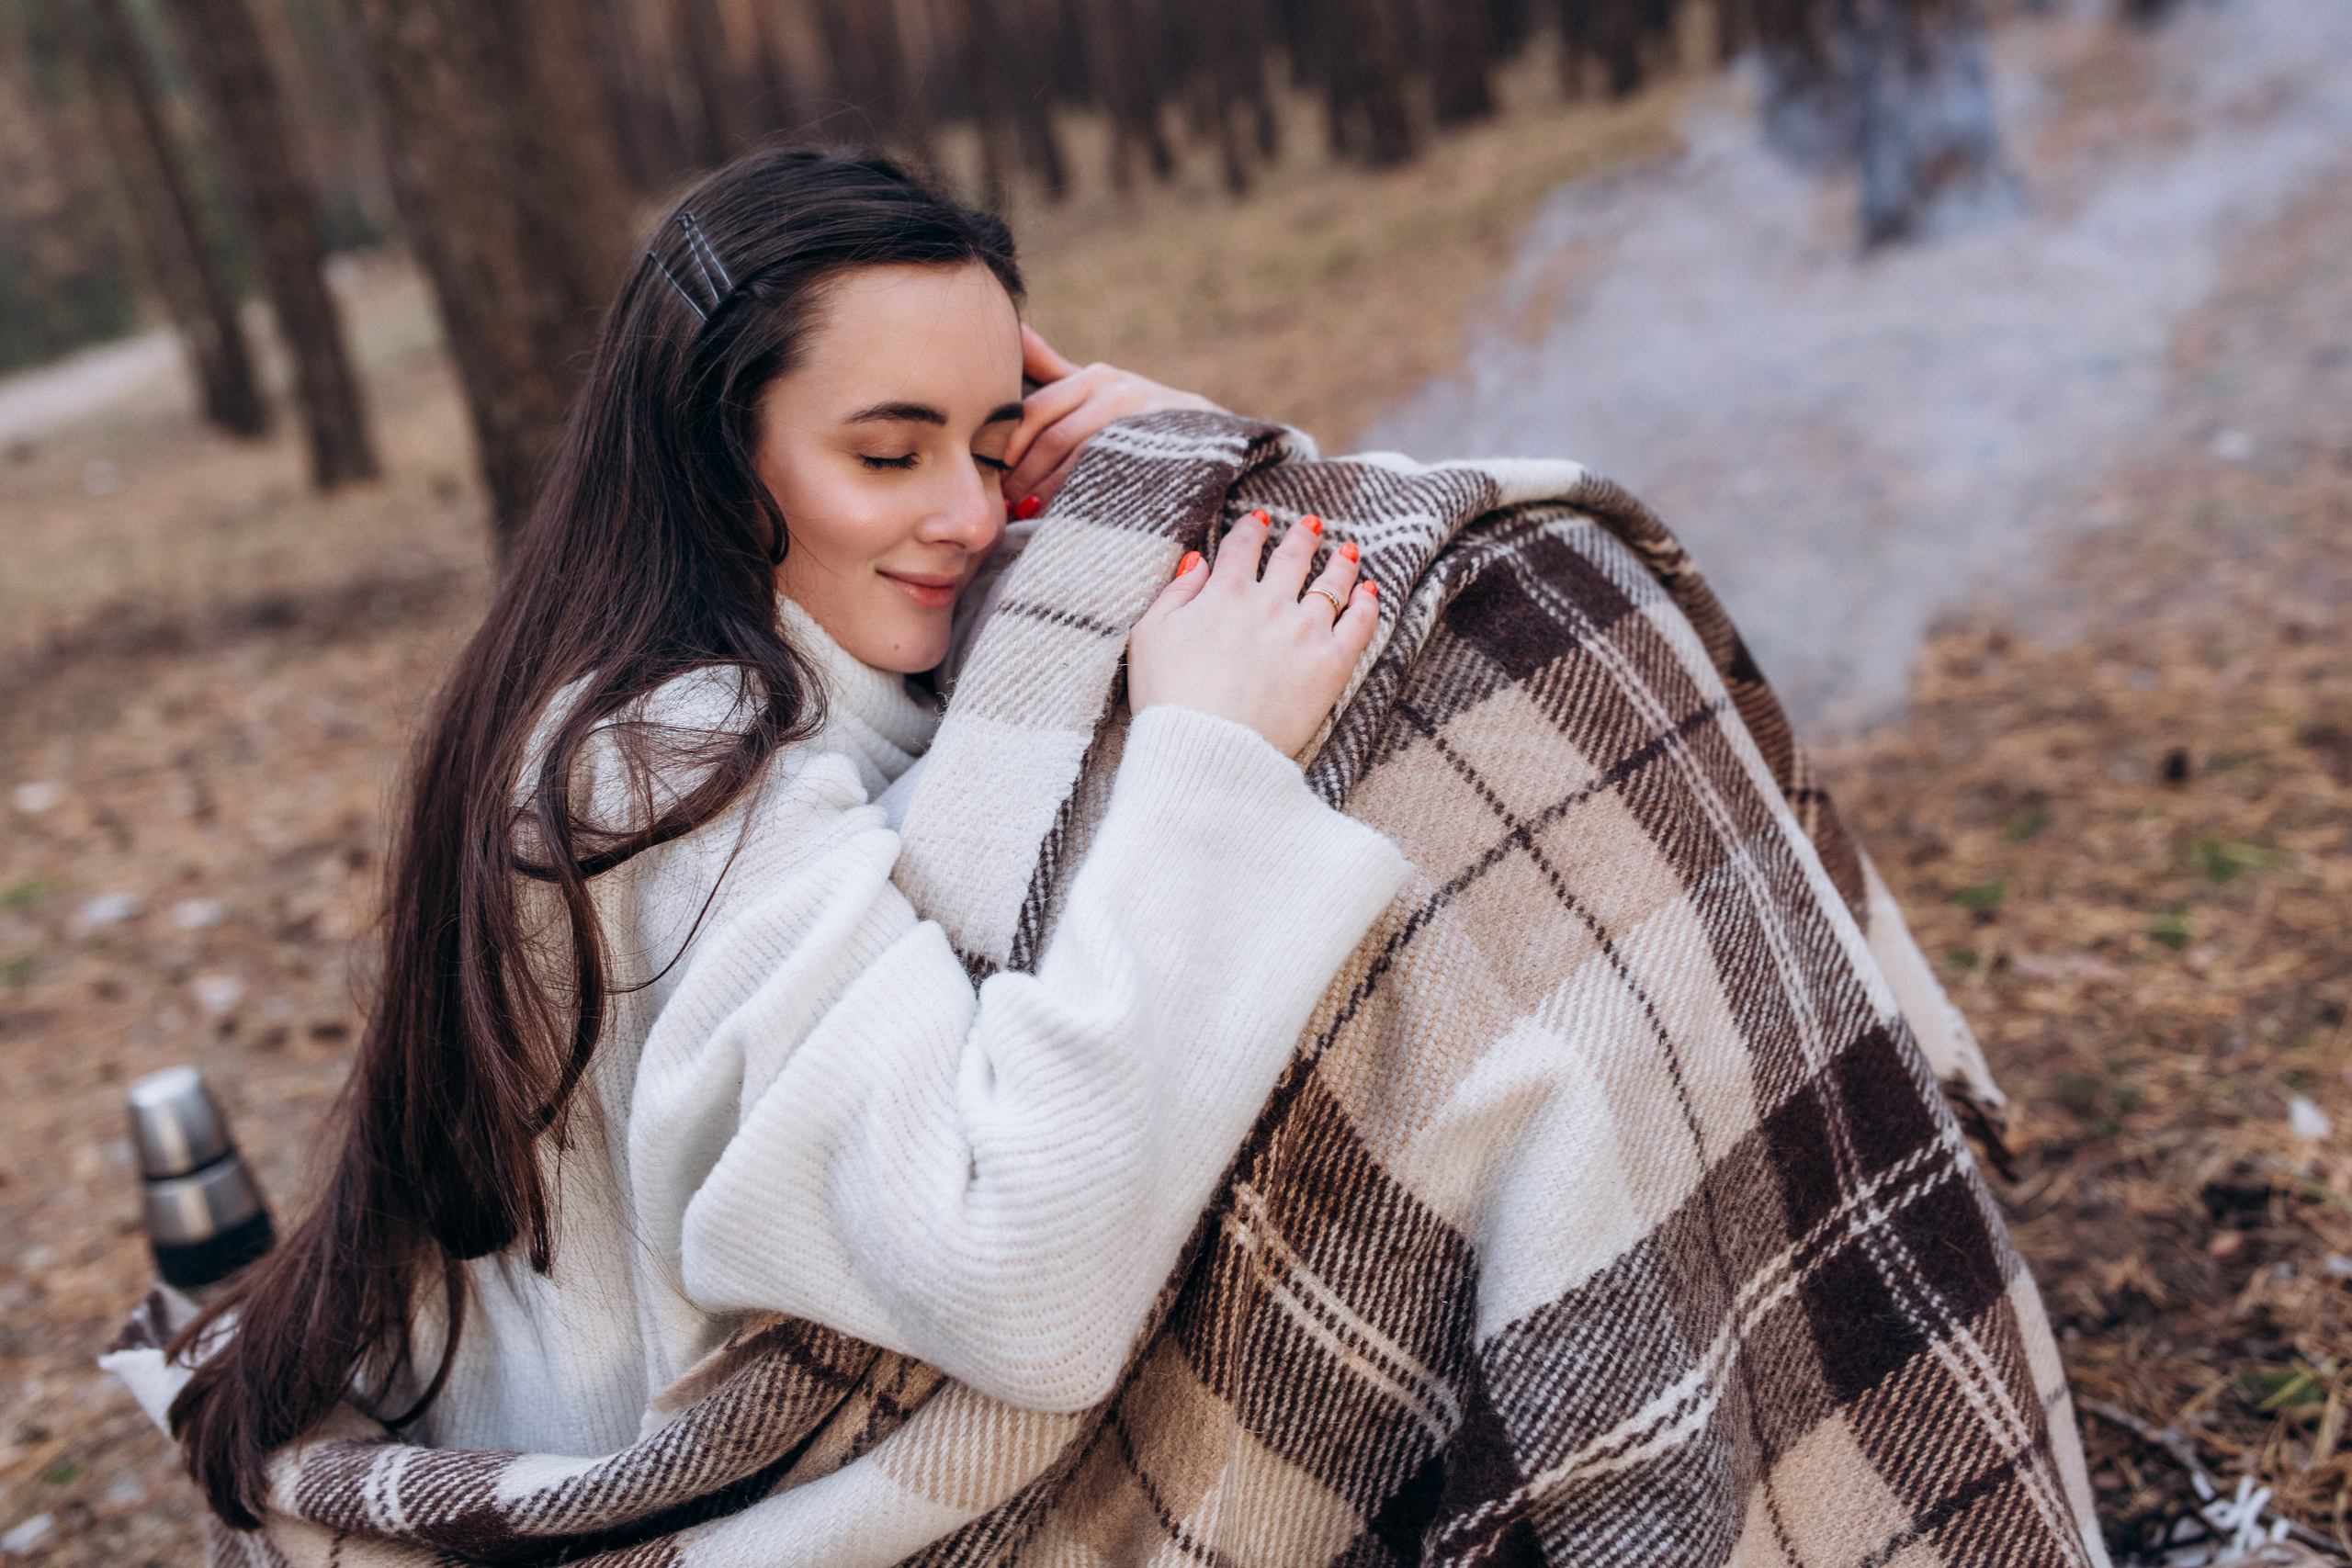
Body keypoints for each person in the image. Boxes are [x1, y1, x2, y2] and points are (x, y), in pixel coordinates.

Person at [164, 147, 1412, 1530]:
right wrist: (1209, 768)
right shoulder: (664, 767)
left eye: (998, 445)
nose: (970, 515)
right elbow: (1018, 1274)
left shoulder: (722, 667)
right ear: (711, 449)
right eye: (889, 452)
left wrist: (1181, 462)